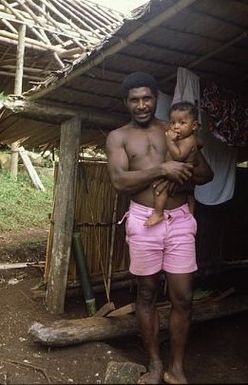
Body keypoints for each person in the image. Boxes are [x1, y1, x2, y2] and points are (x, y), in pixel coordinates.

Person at [106, 72, 213, 384]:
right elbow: (119, 181)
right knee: (147, 292)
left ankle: (177, 368)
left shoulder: (175, 130)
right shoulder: (119, 137)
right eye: (134, 100)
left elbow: (206, 175)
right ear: (126, 103)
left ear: (156, 98)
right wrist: (162, 168)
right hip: (143, 219)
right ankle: (154, 364)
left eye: (147, 98)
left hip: (179, 218)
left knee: (183, 297)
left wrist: (189, 160)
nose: (141, 105)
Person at [145, 101, 199, 227]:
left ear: (194, 126)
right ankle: (190, 215)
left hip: (180, 172)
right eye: (173, 122)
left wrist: (169, 141)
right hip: (178, 172)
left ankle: (158, 213)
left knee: (160, 188)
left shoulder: (189, 140)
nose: (176, 127)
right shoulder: (183, 138)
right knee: (189, 193)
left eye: (182, 123)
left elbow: (178, 156)